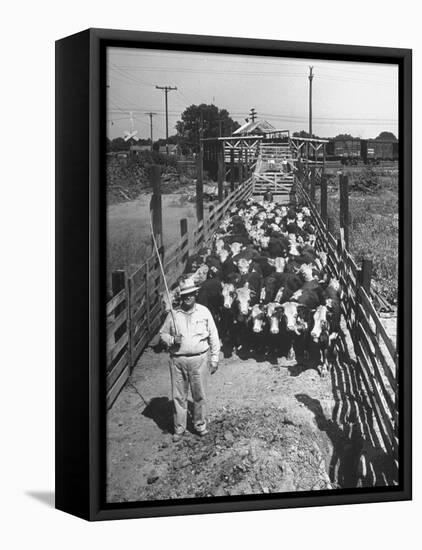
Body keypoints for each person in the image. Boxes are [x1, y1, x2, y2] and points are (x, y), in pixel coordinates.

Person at [159, 277, 220, 442]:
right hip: (177, 360)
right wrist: (172, 340)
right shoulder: (174, 314)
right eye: (185, 294)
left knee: (199, 395)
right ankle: (179, 428)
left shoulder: (204, 312)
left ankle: (200, 425)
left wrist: (214, 358)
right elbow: (162, 333)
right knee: (179, 396)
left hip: (199, 359)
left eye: (191, 294)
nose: (188, 297)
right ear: (181, 296)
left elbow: (214, 336)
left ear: (196, 294)